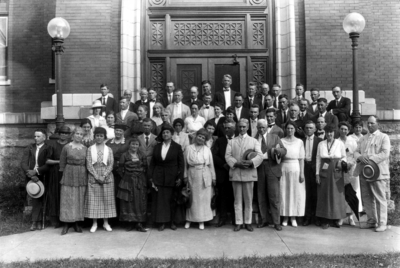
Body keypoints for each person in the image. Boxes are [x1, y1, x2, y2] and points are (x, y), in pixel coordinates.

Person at [225, 119, 263, 232]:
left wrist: (251, 162)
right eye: (240, 127)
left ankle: (248, 222)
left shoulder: (254, 141)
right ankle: (238, 222)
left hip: (249, 173)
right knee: (237, 200)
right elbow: (227, 156)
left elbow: (260, 156)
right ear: (237, 127)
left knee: (248, 199)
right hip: (236, 173)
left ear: (247, 128)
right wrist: (236, 163)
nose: (242, 129)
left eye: (244, 127)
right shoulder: (231, 141)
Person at [354, 116, 390, 232]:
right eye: (368, 123)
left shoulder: (383, 137)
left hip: (378, 172)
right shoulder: (363, 138)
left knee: (380, 197)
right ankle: (371, 221)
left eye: (372, 123)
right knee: (367, 198)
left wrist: (370, 158)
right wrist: (360, 156)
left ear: (377, 124)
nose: (369, 125)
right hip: (365, 172)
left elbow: (385, 153)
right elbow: (356, 151)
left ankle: (382, 223)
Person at [149, 124, 184, 231]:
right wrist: (151, 178)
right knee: (160, 201)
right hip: (159, 176)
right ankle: (161, 222)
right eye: (163, 133)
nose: (165, 134)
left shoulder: (177, 147)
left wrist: (180, 177)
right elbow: (152, 163)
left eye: (167, 132)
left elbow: (181, 164)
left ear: (171, 134)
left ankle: (172, 222)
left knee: (172, 200)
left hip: (172, 177)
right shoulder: (157, 147)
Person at [255, 119, 287, 231]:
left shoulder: (274, 137)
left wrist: (278, 151)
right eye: (259, 127)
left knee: (274, 196)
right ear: (257, 128)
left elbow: (284, 150)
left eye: (263, 127)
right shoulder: (254, 139)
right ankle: (264, 220)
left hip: (272, 167)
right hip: (258, 168)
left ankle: (276, 222)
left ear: (267, 127)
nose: (261, 129)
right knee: (261, 195)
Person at [85, 127, 117, 233]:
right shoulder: (90, 149)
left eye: (101, 136)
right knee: (94, 200)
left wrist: (104, 175)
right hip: (94, 176)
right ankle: (94, 223)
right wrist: (96, 176)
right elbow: (89, 164)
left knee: (106, 200)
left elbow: (111, 163)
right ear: (94, 137)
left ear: (104, 137)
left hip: (106, 176)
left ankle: (106, 222)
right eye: (97, 136)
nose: (99, 138)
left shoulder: (109, 149)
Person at [184, 128, 216, 230]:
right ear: (196, 136)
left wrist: (213, 177)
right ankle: (189, 220)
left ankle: (201, 221)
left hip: (204, 174)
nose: (201, 138)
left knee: (203, 199)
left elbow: (211, 165)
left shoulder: (207, 149)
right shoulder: (189, 148)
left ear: (205, 139)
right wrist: (184, 175)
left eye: (203, 137)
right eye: (199, 136)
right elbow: (185, 164)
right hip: (192, 173)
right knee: (192, 198)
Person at [315, 125, 347, 229]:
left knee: (336, 195)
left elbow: (344, 157)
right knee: (324, 194)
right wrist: (317, 174)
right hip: (324, 169)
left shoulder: (340, 143)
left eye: (331, 132)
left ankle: (335, 219)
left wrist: (342, 164)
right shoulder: (321, 144)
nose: (329, 134)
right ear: (325, 133)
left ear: (334, 133)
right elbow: (318, 159)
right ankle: (325, 220)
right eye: (327, 132)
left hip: (336, 170)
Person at [58, 127, 88, 235]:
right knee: (68, 198)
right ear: (73, 135)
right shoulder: (66, 147)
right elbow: (62, 163)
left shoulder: (85, 148)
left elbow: (87, 163)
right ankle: (66, 224)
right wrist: (63, 175)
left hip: (81, 173)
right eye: (77, 133)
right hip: (69, 172)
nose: (79, 136)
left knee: (79, 197)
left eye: (81, 134)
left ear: (83, 136)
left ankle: (76, 223)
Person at [21, 129, 50, 231]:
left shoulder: (48, 148)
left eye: (38, 136)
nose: (36, 138)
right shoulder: (30, 147)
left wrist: (37, 172)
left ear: (44, 137)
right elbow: (24, 163)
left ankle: (44, 220)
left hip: (44, 175)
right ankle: (34, 222)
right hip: (32, 176)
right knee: (35, 198)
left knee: (45, 198)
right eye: (35, 136)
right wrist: (30, 174)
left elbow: (48, 164)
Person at [117, 136, 148, 232]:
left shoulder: (142, 155)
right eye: (132, 144)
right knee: (128, 202)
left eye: (136, 144)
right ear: (129, 145)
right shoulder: (124, 155)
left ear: (139, 145)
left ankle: (139, 223)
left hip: (139, 181)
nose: (134, 146)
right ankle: (129, 223)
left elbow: (146, 167)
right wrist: (127, 176)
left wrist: (140, 176)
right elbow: (120, 169)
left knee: (140, 202)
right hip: (128, 181)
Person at [280, 121, 306, 227]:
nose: (290, 130)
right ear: (285, 129)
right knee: (284, 193)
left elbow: (301, 159)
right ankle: (285, 217)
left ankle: (293, 217)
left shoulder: (299, 142)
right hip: (284, 168)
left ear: (295, 129)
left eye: (292, 128)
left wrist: (302, 173)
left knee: (295, 193)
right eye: (288, 128)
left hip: (296, 168)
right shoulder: (281, 141)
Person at [337, 121, 362, 226]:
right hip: (340, 169)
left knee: (352, 192)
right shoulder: (336, 141)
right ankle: (342, 217)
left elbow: (356, 154)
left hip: (351, 169)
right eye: (342, 129)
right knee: (342, 193)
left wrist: (350, 164)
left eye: (346, 129)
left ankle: (351, 216)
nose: (343, 131)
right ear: (339, 130)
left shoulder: (352, 141)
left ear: (348, 130)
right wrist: (341, 165)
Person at [46, 125, 71, 228]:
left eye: (66, 133)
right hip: (56, 173)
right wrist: (59, 161)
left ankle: (67, 219)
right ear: (59, 134)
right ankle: (56, 219)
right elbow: (47, 160)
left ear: (69, 135)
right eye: (62, 133)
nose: (63, 135)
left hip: (68, 172)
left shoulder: (70, 145)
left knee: (67, 195)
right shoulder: (53, 145)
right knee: (56, 194)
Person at [212, 121, 236, 227]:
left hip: (235, 172)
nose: (226, 130)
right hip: (223, 172)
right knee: (222, 196)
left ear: (234, 128)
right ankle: (222, 218)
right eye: (225, 128)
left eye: (229, 128)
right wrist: (224, 165)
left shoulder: (238, 140)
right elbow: (214, 155)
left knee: (235, 196)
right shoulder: (219, 141)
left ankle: (236, 219)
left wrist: (233, 164)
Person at [106, 124, 130, 214]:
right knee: (111, 193)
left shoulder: (127, 143)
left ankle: (122, 216)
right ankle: (113, 217)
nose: (118, 132)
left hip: (123, 171)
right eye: (117, 130)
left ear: (123, 132)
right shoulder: (108, 143)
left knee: (122, 192)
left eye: (120, 131)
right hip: (110, 171)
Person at [302, 121, 322, 226]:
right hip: (305, 168)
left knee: (316, 193)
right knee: (307, 193)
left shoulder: (320, 141)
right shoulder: (301, 141)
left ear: (315, 129)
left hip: (315, 169)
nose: (309, 130)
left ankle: (316, 217)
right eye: (307, 128)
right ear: (304, 129)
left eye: (311, 128)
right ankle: (307, 217)